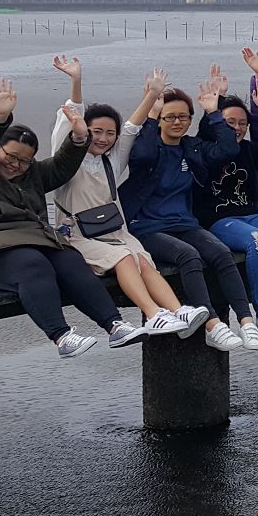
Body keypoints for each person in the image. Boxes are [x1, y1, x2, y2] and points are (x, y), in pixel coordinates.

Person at [0, 78, 142, 357]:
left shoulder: (30, 175)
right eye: (10, 156)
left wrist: (79, 139)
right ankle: (62, 336)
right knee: (32, 263)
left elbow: (61, 167)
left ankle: (114, 325)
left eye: (24, 160)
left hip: (25, 243)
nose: (15, 164)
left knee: (69, 258)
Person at [46, 58, 200, 344]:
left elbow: (131, 128)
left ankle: (178, 311)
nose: (103, 139)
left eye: (109, 133)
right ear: (83, 130)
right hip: (77, 235)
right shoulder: (67, 159)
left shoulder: (111, 162)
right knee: (125, 258)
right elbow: (72, 118)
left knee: (142, 259)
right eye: (96, 132)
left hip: (114, 231)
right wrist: (76, 82)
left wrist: (152, 96)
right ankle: (153, 314)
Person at [125, 69, 258, 349]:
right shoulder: (149, 148)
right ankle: (212, 325)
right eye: (170, 117)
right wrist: (151, 113)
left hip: (185, 223)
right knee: (189, 256)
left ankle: (247, 322)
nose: (177, 122)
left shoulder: (192, 148)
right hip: (147, 228)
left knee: (221, 253)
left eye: (183, 117)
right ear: (161, 120)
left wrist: (213, 112)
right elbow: (143, 155)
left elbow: (228, 149)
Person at [196, 74, 258, 347]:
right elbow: (211, 138)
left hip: (251, 212)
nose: (238, 128)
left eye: (243, 123)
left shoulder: (248, 149)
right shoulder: (204, 150)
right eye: (230, 122)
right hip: (220, 219)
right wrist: (214, 108)